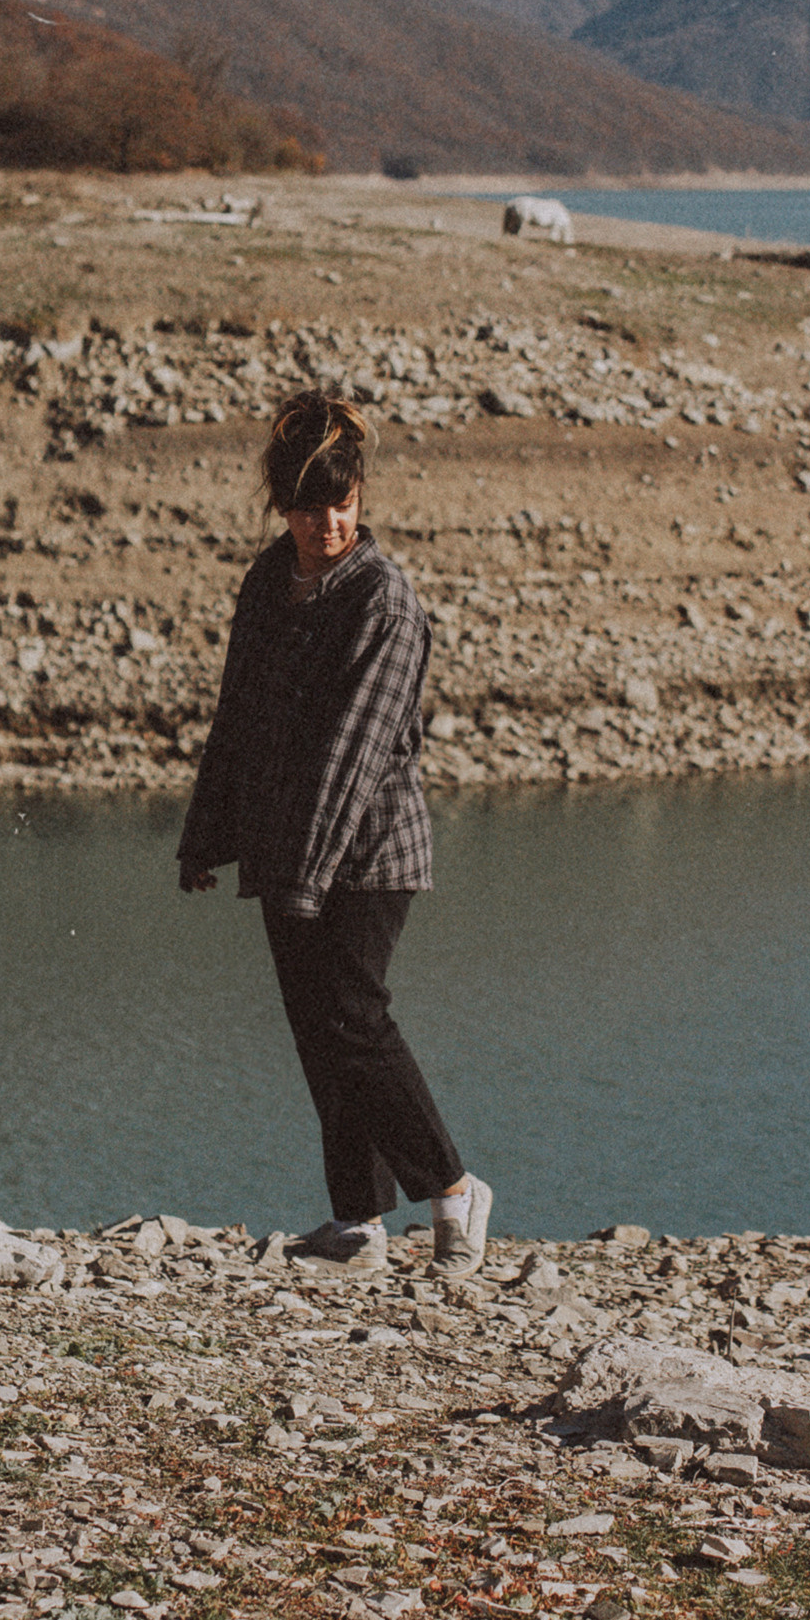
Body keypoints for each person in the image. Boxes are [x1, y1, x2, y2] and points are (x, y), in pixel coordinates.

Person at [176, 390, 490, 1277]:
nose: (331, 522)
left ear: (362, 498)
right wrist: (206, 836)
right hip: (291, 850)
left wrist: (307, 879)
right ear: (284, 505)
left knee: (354, 1018)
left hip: (370, 852)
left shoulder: (384, 602)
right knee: (317, 1030)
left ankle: (455, 1189)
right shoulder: (268, 582)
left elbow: (352, 756)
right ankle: (356, 1219)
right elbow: (237, 716)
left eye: (344, 504)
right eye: (313, 506)